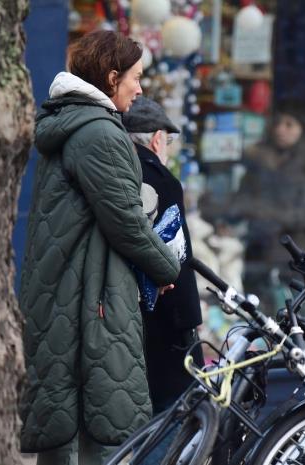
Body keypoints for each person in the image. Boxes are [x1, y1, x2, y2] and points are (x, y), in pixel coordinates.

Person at [18, 31, 180, 464]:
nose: (140, 89)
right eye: (135, 78)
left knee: (67, 422)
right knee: (93, 430)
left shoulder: (74, 123)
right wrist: (167, 268)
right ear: (112, 77)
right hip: (88, 298)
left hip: (69, 290)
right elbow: (126, 221)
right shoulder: (100, 134)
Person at [122, 96, 204, 414]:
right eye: (167, 141)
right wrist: (190, 326)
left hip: (127, 317)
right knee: (175, 416)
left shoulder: (115, 174)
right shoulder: (161, 179)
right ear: (157, 139)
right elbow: (175, 257)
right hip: (166, 324)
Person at [228, 100, 305, 308]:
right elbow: (239, 202)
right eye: (277, 123)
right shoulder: (258, 160)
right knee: (259, 311)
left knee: (298, 312)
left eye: (289, 125)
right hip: (259, 252)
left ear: (302, 129)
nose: (281, 130)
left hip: (298, 252)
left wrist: (276, 215)